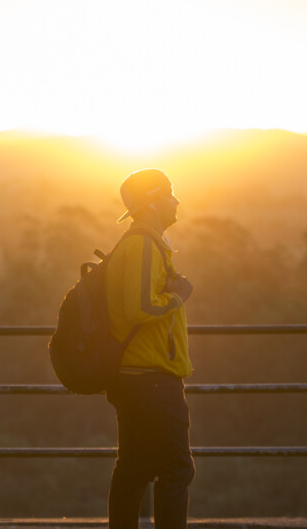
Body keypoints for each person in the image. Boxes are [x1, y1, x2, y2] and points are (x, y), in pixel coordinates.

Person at [103, 168, 194, 529]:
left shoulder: (142, 243)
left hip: (137, 376)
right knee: (175, 468)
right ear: (154, 203)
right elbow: (140, 307)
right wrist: (178, 295)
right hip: (150, 379)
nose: (176, 201)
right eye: (170, 195)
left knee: (135, 466)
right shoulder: (141, 244)